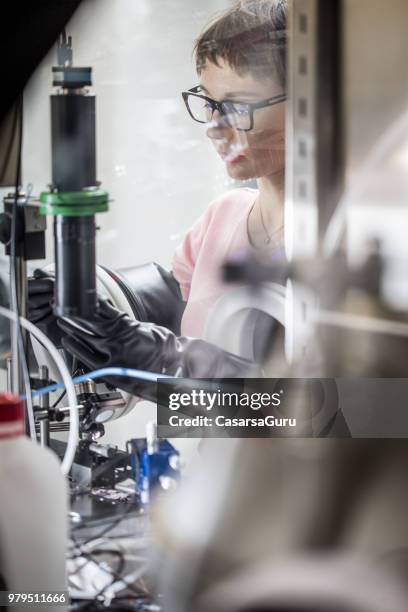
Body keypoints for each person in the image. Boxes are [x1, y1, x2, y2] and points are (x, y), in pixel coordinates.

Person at [29, 0, 288, 398]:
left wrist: (152, 358)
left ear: (312, 102)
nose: (214, 130)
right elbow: (185, 318)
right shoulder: (223, 216)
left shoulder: (359, 238)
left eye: (237, 106)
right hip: (216, 458)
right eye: (210, 103)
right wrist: (77, 310)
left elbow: (353, 416)